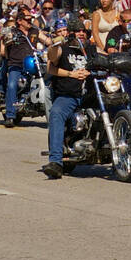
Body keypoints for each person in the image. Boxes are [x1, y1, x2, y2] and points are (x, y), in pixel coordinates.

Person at [40, 21, 93, 179]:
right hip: (68, 95)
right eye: (77, 31)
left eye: (83, 30)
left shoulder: (90, 48)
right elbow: (50, 66)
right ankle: (56, 162)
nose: (81, 33)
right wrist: (72, 74)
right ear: (70, 33)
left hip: (90, 95)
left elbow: (102, 60)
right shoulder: (62, 48)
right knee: (56, 113)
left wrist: (89, 73)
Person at [0, 8, 48, 128]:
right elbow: (4, 46)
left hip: (32, 64)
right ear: (20, 21)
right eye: (27, 19)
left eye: (31, 19)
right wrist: (6, 40)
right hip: (16, 65)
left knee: (48, 80)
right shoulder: (12, 32)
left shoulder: (34, 31)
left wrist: (57, 41)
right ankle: (10, 116)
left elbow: (47, 40)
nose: (30, 21)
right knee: (12, 85)